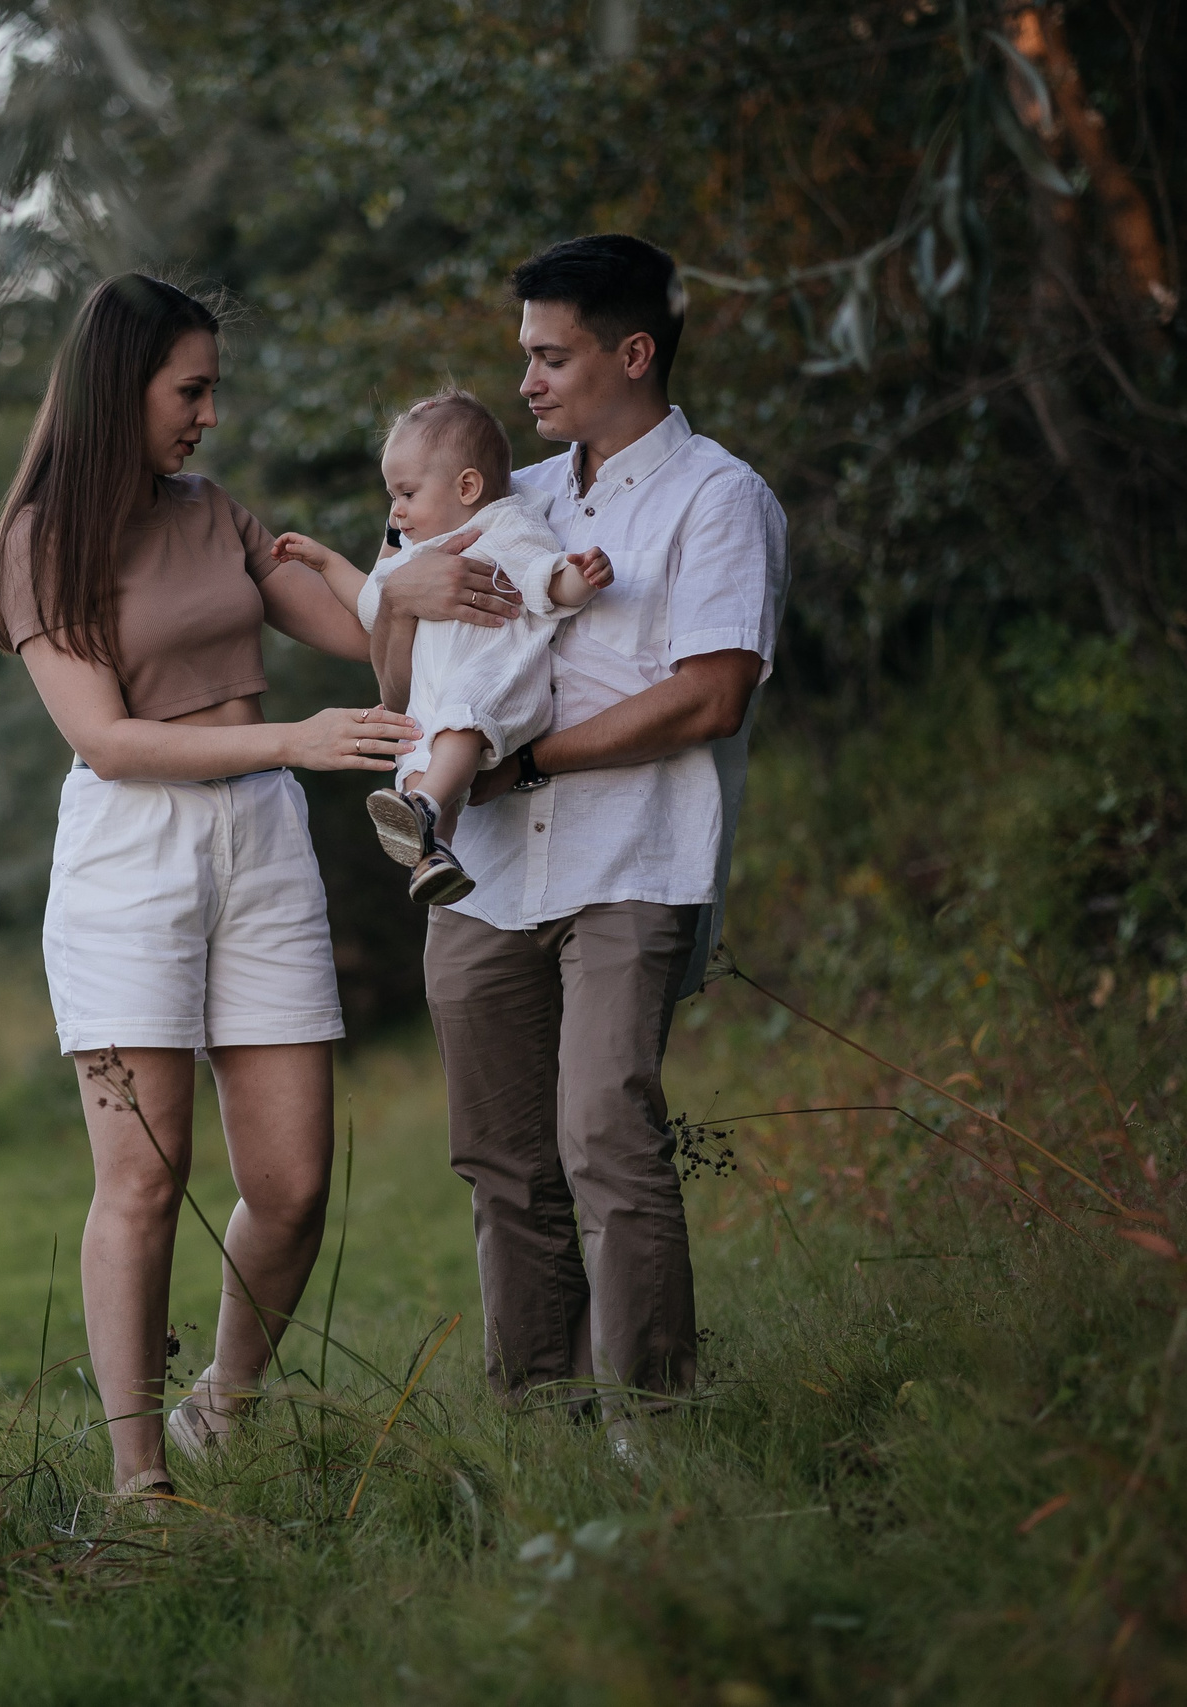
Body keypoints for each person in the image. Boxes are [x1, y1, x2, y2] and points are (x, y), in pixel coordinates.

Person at [0, 273, 420, 1498]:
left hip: (261, 843)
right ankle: (139, 1482)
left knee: (291, 1186)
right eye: (190, 389)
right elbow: (108, 738)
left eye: (210, 388)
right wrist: (293, 740)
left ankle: (218, 1410)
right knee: (143, 1176)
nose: (208, 414)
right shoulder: (40, 542)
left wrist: (403, 575)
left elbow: (362, 646)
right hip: (132, 853)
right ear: (121, 388)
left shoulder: (215, 511)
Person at [369, 235, 790, 1441]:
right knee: (501, 1163)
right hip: (484, 873)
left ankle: (651, 1434)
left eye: (550, 357)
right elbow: (406, 674)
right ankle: (537, 1432)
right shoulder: (501, 498)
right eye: (524, 357)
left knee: (605, 1133)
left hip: (629, 859)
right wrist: (396, 595)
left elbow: (713, 695)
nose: (528, 383)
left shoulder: (718, 498)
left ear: (634, 352)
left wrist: (530, 761)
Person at [272, 389, 611, 906]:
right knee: (415, 756)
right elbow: (372, 603)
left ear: (468, 485)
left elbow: (546, 579)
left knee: (455, 729)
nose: (397, 511)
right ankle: (435, 856)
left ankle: (428, 807)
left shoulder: (505, 526)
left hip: (493, 680)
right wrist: (327, 563)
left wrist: (580, 577)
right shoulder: (415, 553)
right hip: (438, 692)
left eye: (406, 494)